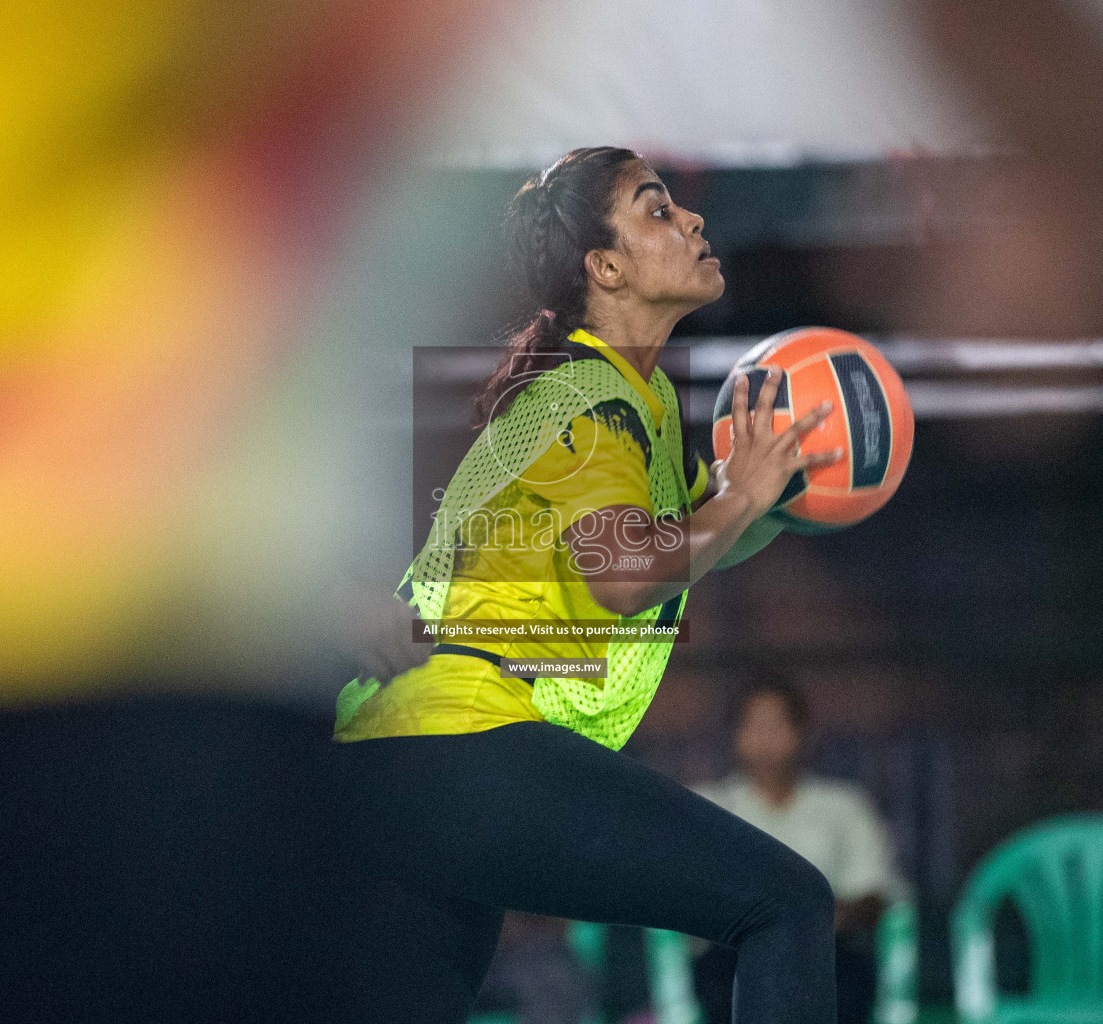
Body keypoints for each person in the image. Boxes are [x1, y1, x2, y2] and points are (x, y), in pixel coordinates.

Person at [326, 146, 847, 1023]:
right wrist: (744, 495)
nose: (693, 220)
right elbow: (630, 575)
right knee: (783, 906)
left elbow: (689, 543)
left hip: (403, 759)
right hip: (464, 746)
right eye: (656, 209)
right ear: (604, 268)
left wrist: (778, 501)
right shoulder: (584, 400)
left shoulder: (621, 401)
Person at [691, 678, 907, 1024]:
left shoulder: (844, 806)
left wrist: (808, 921)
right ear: (735, 735)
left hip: (826, 953)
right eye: (753, 725)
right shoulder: (708, 807)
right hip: (733, 956)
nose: (765, 739)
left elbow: (873, 894)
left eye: (776, 725)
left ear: (802, 733)